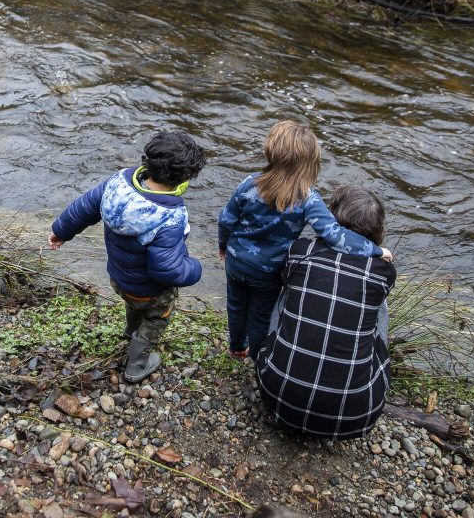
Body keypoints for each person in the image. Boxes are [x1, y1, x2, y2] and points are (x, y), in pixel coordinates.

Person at [218, 120, 391, 360]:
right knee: (260, 315)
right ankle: (257, 356)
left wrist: (223, 245)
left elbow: (226, 219)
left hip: (236, 261)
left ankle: (237, 346)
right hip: (268, 273)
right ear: (311, 162)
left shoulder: (250, 183)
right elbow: (334, 235)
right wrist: (374, 250)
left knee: (236, 305)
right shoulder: (307, 199)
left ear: (271, 152)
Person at [48, 131, 206, 382]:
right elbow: (166, 269)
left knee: (133, 303)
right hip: (150, 289)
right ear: (185, 177)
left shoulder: (119, 181)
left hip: (118, 277)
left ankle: (130, 331)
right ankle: (137, 365)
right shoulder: (169, 218)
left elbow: (85, 206)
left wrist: (61, 231)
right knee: (156, 317)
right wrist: (194, 268)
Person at [255, 185, 397, 439]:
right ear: (378, 231)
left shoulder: (301, 251)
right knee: (377, 302)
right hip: (355, 416)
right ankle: (367, 366)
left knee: (289, 289)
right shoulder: (382, 271)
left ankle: (276, 354)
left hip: (276, 394)